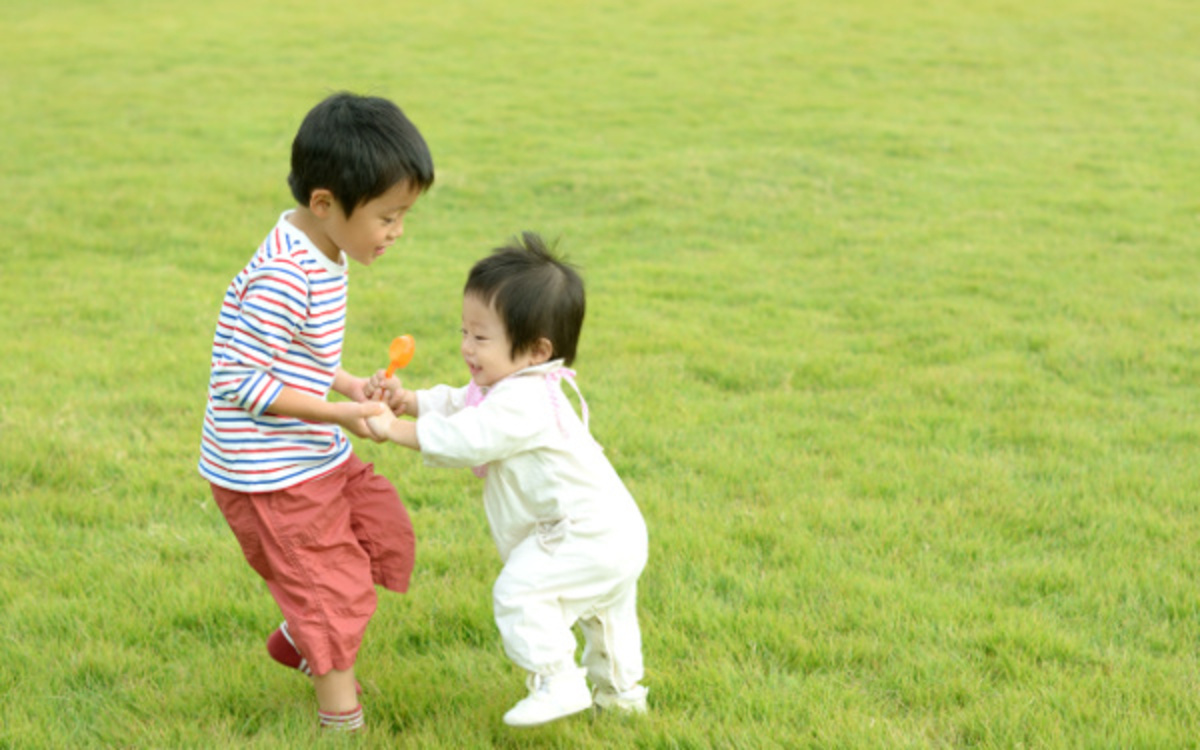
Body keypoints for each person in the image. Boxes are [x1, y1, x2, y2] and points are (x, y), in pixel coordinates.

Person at [198, 91, 434, 733]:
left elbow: (295, 350)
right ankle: (342, 722)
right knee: (331, 590)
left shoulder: (326, 247)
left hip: (310, 451)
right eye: (387, 217)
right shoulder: (285, 272)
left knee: (383, 535)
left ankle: (298, 639)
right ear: (327, 203)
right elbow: (242, 379)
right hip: (268, 473)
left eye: (404, 214)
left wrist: (349, 382)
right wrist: (336, 414)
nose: (397, 232)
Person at [363, 232, 650, 727]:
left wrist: (394, 429)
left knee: (520, 592)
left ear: (537, 350)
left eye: (480, 337)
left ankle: (557, 680)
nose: (466, 348)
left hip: (581, 533)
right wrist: (410, 401)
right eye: (463, 332)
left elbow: (468, 440)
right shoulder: (513, 387)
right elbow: (461, 403)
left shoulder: (523, 401)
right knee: (605, 616)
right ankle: (622, 698)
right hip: (613, 531)